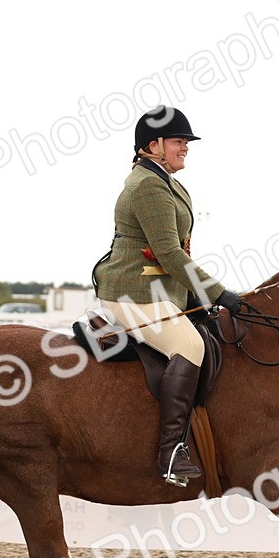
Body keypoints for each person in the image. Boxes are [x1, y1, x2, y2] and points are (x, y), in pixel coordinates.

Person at [91, 106, 241, 482]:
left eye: (186, 141)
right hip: (133, 292)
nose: (185, 147)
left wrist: (195, 298)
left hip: (159, 290)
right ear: (152, 145)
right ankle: (170, 452)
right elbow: (170, 254)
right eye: (178, 141)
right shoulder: (147, 186)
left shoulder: (167, 182)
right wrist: (219, 293)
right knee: (190, 347)